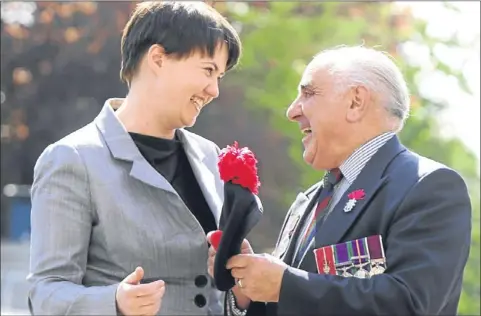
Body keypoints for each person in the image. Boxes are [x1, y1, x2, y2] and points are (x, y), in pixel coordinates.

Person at [207, 45, 472, 316]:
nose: (292, 111)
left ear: (356, 102)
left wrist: (285, 284)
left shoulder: (428, 186)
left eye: (308, 93)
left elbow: (411, 304)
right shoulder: (308, 202)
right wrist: (249, 289)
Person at [27, 2, 241, 315]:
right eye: (208, 70)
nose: (214, 90)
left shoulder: (210, 156)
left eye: (219, 76)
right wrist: (113, 302)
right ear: (158, 58)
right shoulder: (73, 159)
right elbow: (45, 294)